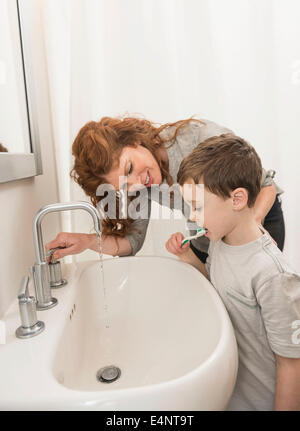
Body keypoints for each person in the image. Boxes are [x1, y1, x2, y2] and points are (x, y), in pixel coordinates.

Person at [165, 134, 300, 411]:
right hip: (230, 394)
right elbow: (218, 290)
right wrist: (187, 256)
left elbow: (292, 364)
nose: (192, 217)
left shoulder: (273, 276)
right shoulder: (220, 243)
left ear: (237, 199)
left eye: (198, 206)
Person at [45, 116, 284, 261]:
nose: (137, 183)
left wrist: (251, 231)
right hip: (209, 238)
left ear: (134, 140)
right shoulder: (138, 187)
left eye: (129, 168)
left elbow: (266, 186)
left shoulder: (198, 138)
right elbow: (131, 243)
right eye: (124, 185)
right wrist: (87, 241)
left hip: (257, 218)